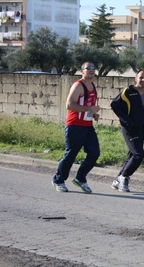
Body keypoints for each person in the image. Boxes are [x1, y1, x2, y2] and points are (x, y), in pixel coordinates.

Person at [52, 61, 100, 194]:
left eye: (93, 67)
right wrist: (89, 109)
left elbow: (88, 106)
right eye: (88, 68)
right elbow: (69, 105)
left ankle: (80, 178)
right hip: (74, 126)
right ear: (81, 71)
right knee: (71, 155)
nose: (91, 70)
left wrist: (93, 114)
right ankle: (58, 180)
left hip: (88, 126)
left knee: (94, 153)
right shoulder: (78, 86)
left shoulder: (93, 86)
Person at [110, 69, 144, 192]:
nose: (143, 80)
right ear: (136, 78)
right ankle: (124, 177)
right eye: (141, 77)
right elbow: (114, 105)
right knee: (138, 154)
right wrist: (126, 120)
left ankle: (117, 180)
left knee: (132, 155)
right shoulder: (128, 92)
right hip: (129, 128)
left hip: (140, 128)